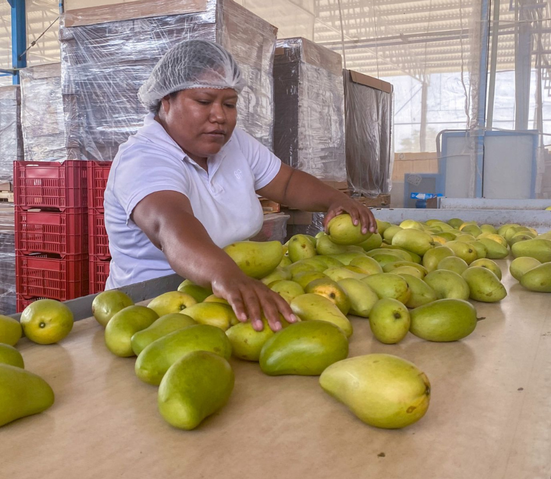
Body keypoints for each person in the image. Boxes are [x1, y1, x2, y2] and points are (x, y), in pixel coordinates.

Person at [103, 39, 376, 332]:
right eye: (204, 101)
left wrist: (336, 200)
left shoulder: (233, 144)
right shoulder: (143, 157)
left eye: (229, 104)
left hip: (226, 298)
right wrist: (227, 276)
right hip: (150, 313)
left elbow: (286, 183)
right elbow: (169, 226)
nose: (220, 116)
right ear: (165, 102)